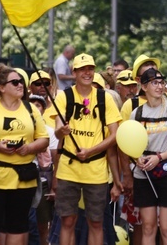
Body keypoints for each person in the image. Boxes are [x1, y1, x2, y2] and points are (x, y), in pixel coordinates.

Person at [0, 65, 49, 244]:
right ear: (2, 87)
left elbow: (44, 139)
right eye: (15, 82)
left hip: (23, 178)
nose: (20, 85)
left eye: (21, 81)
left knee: (18, 227)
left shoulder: (31, 109)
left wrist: (28, 148)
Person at [53, 53, 123, 245]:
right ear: (74, 72)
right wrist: (62, 130)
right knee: (67, 220)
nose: (87, 72)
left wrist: (90, 151)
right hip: (69, 169)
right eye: (82, 69)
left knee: (96, 221)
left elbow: (115, 135)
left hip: (96, 170)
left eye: (90, 68)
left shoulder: (104, 98)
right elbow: (58, 133)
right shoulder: (64, 97)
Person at [130, 68, 167, 245]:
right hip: (144, 175)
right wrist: (136, 158)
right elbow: (130, 144)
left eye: (161, 82)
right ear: (144, 86)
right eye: (154, 83)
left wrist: (160, 157)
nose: (159, 86)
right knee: (148, 227)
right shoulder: (137, 114)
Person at [29, 94, 58, 245]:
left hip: (43, 180)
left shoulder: (50, 132)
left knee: (43, 224)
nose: (35, 107)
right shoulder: (21, 128)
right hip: (23, 179)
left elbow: (56, 160)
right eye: (31, 104)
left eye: (38, 105)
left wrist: (55, 187)